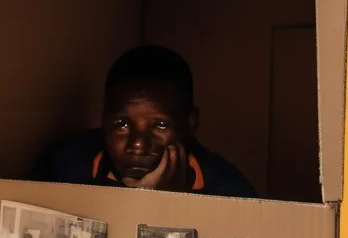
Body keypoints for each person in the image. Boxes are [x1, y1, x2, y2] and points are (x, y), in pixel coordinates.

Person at [33, 45, 257, 197]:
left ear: (191, 123)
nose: (138, 145)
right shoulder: (65, 165)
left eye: (160, 125)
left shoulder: (229, 191)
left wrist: (171, 206)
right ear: (103, 119)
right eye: (122, 124)